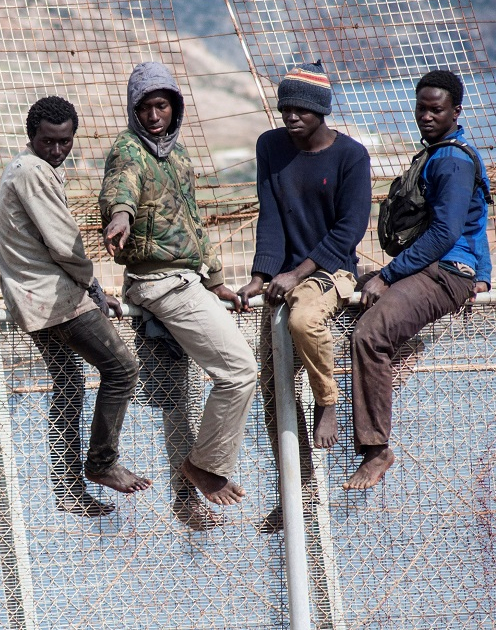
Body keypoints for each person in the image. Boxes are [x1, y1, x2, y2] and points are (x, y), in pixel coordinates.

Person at [100, 62, 256, 510]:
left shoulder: (178, 155)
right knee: (240, 371)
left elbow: (192, 220)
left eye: (161, 106)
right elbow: (121, 189)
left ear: (175, 108)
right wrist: (120, 216)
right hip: (159, 282)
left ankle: (190, 488)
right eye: (145, 107)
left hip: (189, 280)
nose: (153, 116)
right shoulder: (129, 150)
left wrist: (217, 281)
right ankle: (204, 466)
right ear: (134, 110)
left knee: (200, 388)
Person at [0, 95, 150, 520]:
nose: (58, 150)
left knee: (69, 384)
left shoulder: (25, 169)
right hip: (55, 299)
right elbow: (64, 243)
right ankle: (101, 463)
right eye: (49, 141)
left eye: (65, 142)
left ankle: (67, 489)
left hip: (33, 301)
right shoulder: (33, 171)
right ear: (32, 137)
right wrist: (92, 284)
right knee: (122, 368)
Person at [235, 62, 371, 529]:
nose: (291, 116)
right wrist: (261, 275)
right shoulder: (270, 146)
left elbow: (350, 229)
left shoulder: (351, 157)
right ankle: (299, 486)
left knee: (303, 321)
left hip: (331, 270)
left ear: (321, 112)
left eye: (301, 110)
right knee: (272, 386)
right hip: (287, 275)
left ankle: (328, 401)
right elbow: (269, 215)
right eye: (285, 107)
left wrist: (301, 272)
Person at [346, 69, 490, 490]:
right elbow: (476, 219)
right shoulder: (440, 153)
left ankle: (376, 450)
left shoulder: (452, 161)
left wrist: (388, 275)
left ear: (456, 111)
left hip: (444, 272)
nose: (426, 116)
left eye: (436, 109)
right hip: (437, 268)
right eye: (421, 108)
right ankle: (394, 362)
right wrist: (484, 272)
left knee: (369, 334)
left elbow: (447, 234)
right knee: (348, 296)